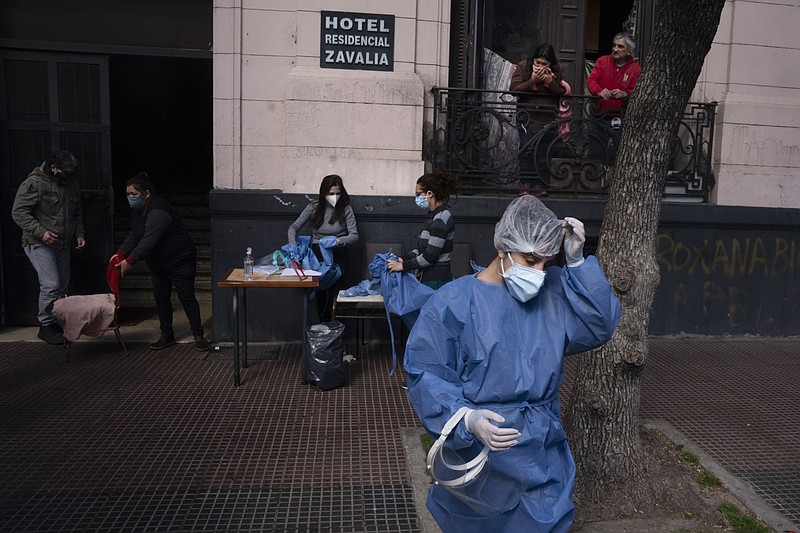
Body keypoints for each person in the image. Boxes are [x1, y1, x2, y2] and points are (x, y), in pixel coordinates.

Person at [404, 195, 621, 532]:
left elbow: (600, 325)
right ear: (503, 249)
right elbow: (426, 372)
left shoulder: (552, 294)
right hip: (483, 447)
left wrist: (577, 263)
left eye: (547, 264)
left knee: (545, 520)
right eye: (530, 260)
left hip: (540, 445)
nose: (539, 273)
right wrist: (466, 418)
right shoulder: (454, 303)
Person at [111, 173, 209, 352]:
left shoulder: (158, 211)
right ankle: (166, 334)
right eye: (127, 194)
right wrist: (120, 253)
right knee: (161, 298)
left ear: (146, 193)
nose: (130, 198)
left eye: (133, 194)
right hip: (158, 264)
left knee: (186, 297)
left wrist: (130, 261)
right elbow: (135, 235)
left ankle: (198, 335)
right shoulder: (138, 212)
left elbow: (148, 240)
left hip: (180, 261)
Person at [12, 150, 86, 345]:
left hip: (62, 243)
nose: (68, 175)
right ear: (53, 168)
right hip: (39, 243)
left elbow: (76, 211)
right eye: (65, 171)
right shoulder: (34, 183)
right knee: (51, 284)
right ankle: (45, 324)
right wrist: (41, 231)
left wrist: (79, 233)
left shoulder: (71, 185)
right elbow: (19, 212)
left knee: (61, 286)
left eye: (71, 172)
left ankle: (57, 322)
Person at [287, 174, 359, 323]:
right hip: (317, 256)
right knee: (321, 295)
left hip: (338, 254)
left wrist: (337, 241)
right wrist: (293, 247)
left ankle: (335, 331)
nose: (335, 197)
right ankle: (323, 330)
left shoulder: (345, 209)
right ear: (324, 193)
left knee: (334, 295)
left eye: (338, 193)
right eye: (331, 194)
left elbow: (354, 235)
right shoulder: (314, 207)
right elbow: (293, 227)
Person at [510, 43, 570, 185]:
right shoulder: (524, 66)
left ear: (550, 63)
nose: (540, 66)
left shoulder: (558, 69)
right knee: (526, 150)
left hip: (548, 117)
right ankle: (525, 184)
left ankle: (540, 184)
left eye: (544, 63)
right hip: (527, 116)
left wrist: (550, 82)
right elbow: (514, 89)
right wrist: (533, 81)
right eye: (537, 62)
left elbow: (561, 92)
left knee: (544, 152)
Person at [387, 171, 459, 289]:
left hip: (436, 282)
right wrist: (402, 258)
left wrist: (402, 266)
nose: (416, 197)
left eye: (418, 194)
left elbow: (429, 257)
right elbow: (422, 250)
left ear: (429, 194)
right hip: (429, 279)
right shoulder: (433, 216)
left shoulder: (440, 219)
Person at [586, 32, 641, 157]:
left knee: (615, 153)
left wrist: (625, 93)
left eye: (620, 47)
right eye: (614, 45)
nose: (615, 49)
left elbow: (637, 92)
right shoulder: (602, 61)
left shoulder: (635, 68)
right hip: (597, 114)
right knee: (595, 151)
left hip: (619, 116)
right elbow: (591, 80)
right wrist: (599, 91)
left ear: (629, 52)